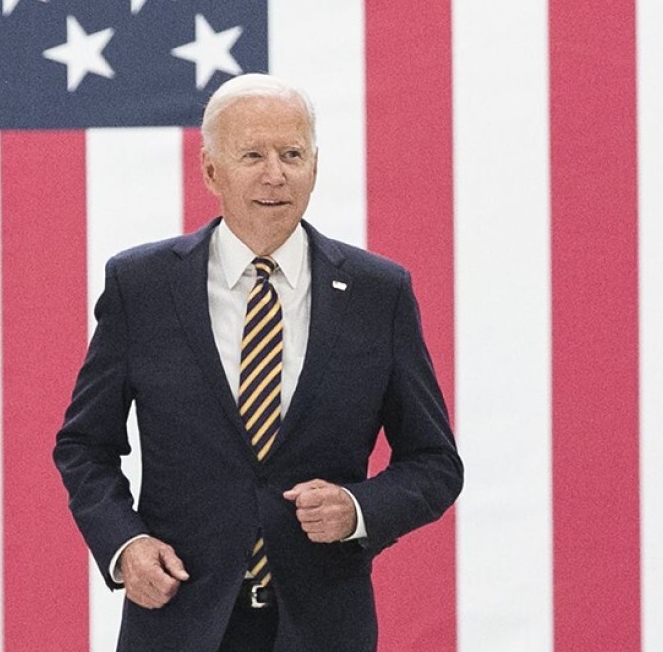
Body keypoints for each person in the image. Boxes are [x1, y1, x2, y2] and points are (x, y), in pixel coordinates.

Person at [53, 73, 463, 652]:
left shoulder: (379, 293)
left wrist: (357, 508)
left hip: (323, 627)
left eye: (292, 154)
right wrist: (126, 546)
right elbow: (83, 445)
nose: (275, 174)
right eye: (252, 155)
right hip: (179, 620)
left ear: (315, 167)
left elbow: (435, 463)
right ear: (211, 170)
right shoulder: (141, 286)